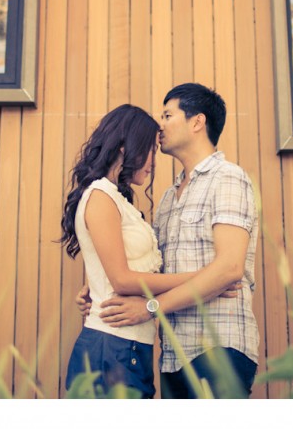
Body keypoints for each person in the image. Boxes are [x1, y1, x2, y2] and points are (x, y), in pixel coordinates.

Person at [85, 83, 260, 399]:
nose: (159, 124)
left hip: (218, 346)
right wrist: (100, 286)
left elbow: (230, 269)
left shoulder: (228, 177)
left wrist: (150, 308)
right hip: (173, 356)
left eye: (167, 115)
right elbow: (153, 269)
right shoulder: (168, 197)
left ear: (197, 122)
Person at [61, 103, 214, 399]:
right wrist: (204, 279)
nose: (153, 162)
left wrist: (93, 285)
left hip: (130, 347)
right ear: (123, 147)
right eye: (149, 150)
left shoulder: (116, 198)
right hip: (112, 346)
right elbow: (122, 280)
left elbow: (121, 270)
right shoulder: (101, 196)